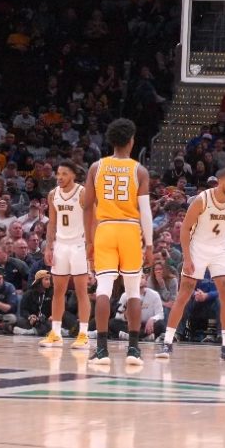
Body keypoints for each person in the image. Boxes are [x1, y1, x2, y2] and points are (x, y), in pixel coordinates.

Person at [156, 168, 225, 362]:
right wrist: (188, 259)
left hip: (220, 249)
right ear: (221, 182)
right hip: (197, 247)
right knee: (184, 294)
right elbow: (185, 230)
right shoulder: (202, 200)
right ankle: (168, 342)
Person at [83, 118, 154, 366]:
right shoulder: (139, 170)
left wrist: (88, 239)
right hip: (130, 230)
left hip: (105, 228)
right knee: (133, 290)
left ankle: (101, 350)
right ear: (131, 141)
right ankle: (133, 350)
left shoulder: (96, 167)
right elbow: (145, 211)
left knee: (103, 288)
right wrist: (151, 245)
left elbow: (86, 205)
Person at [39, 160, 90, 349]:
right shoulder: (53, 194)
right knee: (57, 291)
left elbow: (92, 219)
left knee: (81, 291)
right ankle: (56, 333)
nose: (60, 177)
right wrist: (48, 247)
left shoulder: (82, 193)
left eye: (64, 174)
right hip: (60, 245)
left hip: (79, 245)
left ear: (74, 175)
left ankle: (83, 334)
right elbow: (51, 223)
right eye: (58, 173)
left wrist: (91, 245)